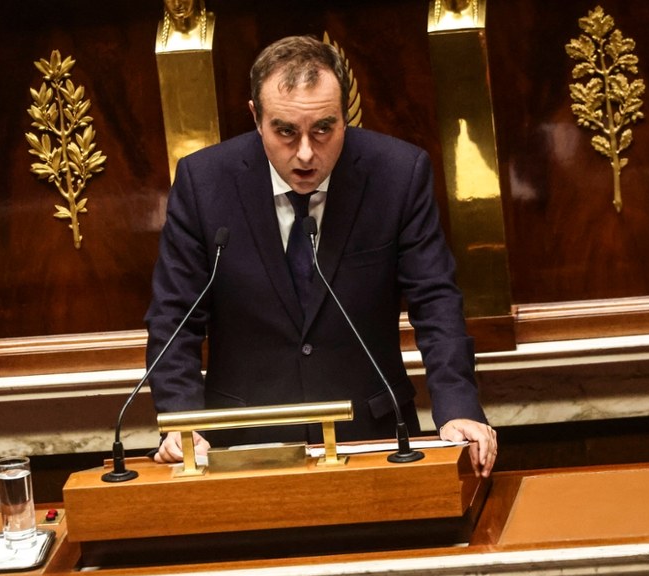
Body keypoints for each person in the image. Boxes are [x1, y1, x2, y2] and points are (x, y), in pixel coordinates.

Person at [145, 35, 497, 477]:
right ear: (256, 118)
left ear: (345, 117)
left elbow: (436, 301)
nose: (306, 153)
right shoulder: (204, 183)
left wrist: (458, 407)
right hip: (243, 443)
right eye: (286, 131)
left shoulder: (398, 174)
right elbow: (175, 317)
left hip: (373, 437)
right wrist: (182, 421)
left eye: (324, 129)